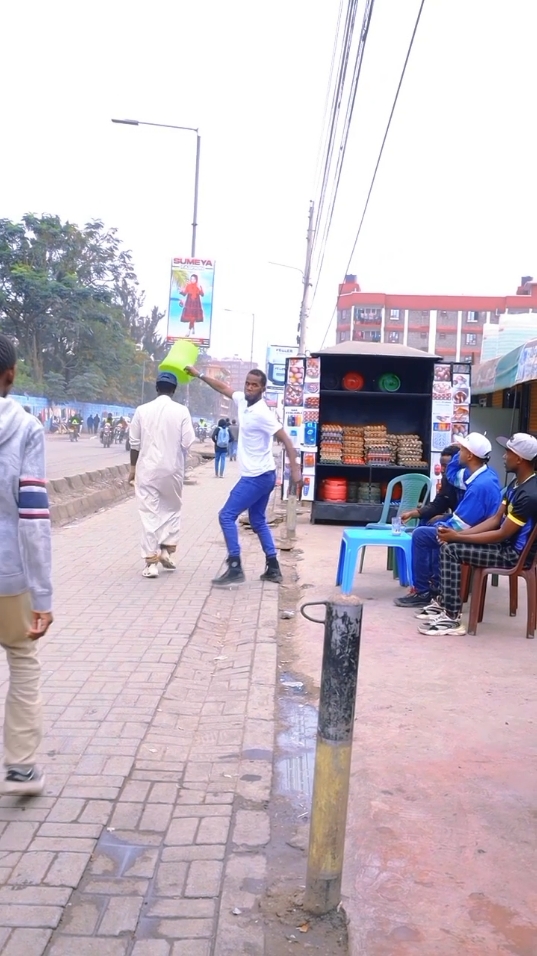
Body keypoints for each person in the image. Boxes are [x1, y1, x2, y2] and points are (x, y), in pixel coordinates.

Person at [185, 364, 302, 586]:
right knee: (257, 520)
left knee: (226, 515)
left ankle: (235, 567)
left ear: (262, 389)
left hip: (257, 477)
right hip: (262, 475)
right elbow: (222, 387)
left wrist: (295, 469)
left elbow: (286, 440)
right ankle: (273, 568)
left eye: (254, 385)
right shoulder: (241, 400)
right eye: (247, 383)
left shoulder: (263, 413)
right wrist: (199, 374)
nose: (249, 388)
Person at [416, 433, 537, 636]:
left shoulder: (529, 494)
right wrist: (456, 534)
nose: (504, 456)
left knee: (451, 550)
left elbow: (500, 534)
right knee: (449, 545)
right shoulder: (516, 485)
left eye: (508, 452)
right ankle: (446, 607)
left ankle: (451, 617)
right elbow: (495, 520)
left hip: (514, 555)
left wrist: (458, 537)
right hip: (503, 546)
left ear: (520, 459)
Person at [0, 334, 53, 796]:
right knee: (21, 658)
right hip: (9, 574)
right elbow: (33, 517)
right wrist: (43, 596)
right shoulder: (25, 428)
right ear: (11, 376)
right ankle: (19, 767)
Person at [394, 433, 502, 609]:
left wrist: (442, 527)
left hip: (478, 534)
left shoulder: (480, 486)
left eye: (462, 449)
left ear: (470, 456)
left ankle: (424, 592)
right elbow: (451, 475)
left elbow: (461, 525)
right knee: (430, 526)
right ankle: (434, 585)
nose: (459, 452)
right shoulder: (475, 473)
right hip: (473, 526)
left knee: (421, 534)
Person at [129, 371, 196, 578]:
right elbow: (187, 441)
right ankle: (167, 550)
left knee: (149, 515)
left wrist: (132, 470)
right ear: (174, 390)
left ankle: (151, 564)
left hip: (147, 470)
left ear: (156, 388)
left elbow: (134, 444)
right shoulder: (182, 411)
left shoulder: (141, 410)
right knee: (172, 509)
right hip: (173, 470)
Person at [401, 444, 461, 526]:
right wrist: (413, 513)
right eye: (441, 465)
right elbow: (438, 505)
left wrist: (446, 516)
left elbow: (467, 514)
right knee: (425, 520)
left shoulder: (466, 483)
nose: (442, 470)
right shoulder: (446, 480)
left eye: (445, 466)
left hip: (464, 522)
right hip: (454, 518)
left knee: (433, 524)